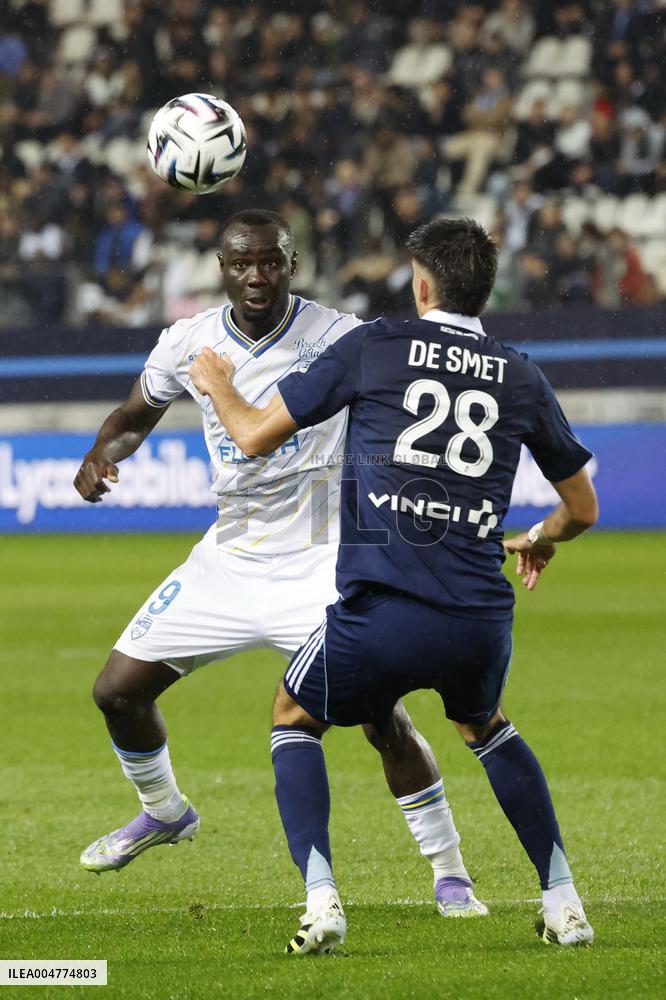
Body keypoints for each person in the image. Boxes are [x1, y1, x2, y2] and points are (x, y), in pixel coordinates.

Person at [188, 217, 598, 954]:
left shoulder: (376, 344)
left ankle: (322, 903)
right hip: (477, 617)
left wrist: (217, 384)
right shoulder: (521, 374)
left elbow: (251, 436)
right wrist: (538, 540)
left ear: (421, 283)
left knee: (292, 713)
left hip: (381, 612)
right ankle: (564, 900)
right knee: (485, 726)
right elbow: (583, 509)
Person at [73, 209, 485, 919]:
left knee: (382, 717)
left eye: (270, 262)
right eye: (241, 264)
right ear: (221, 269)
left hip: (322, 563)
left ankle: (451, 875)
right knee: (116, 693)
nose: (256, 275)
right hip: (228, 559)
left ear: (293, 265)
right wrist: (99, 457)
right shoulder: (189, 342)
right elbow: (134, 415)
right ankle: (166, 811)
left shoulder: (340, 336)